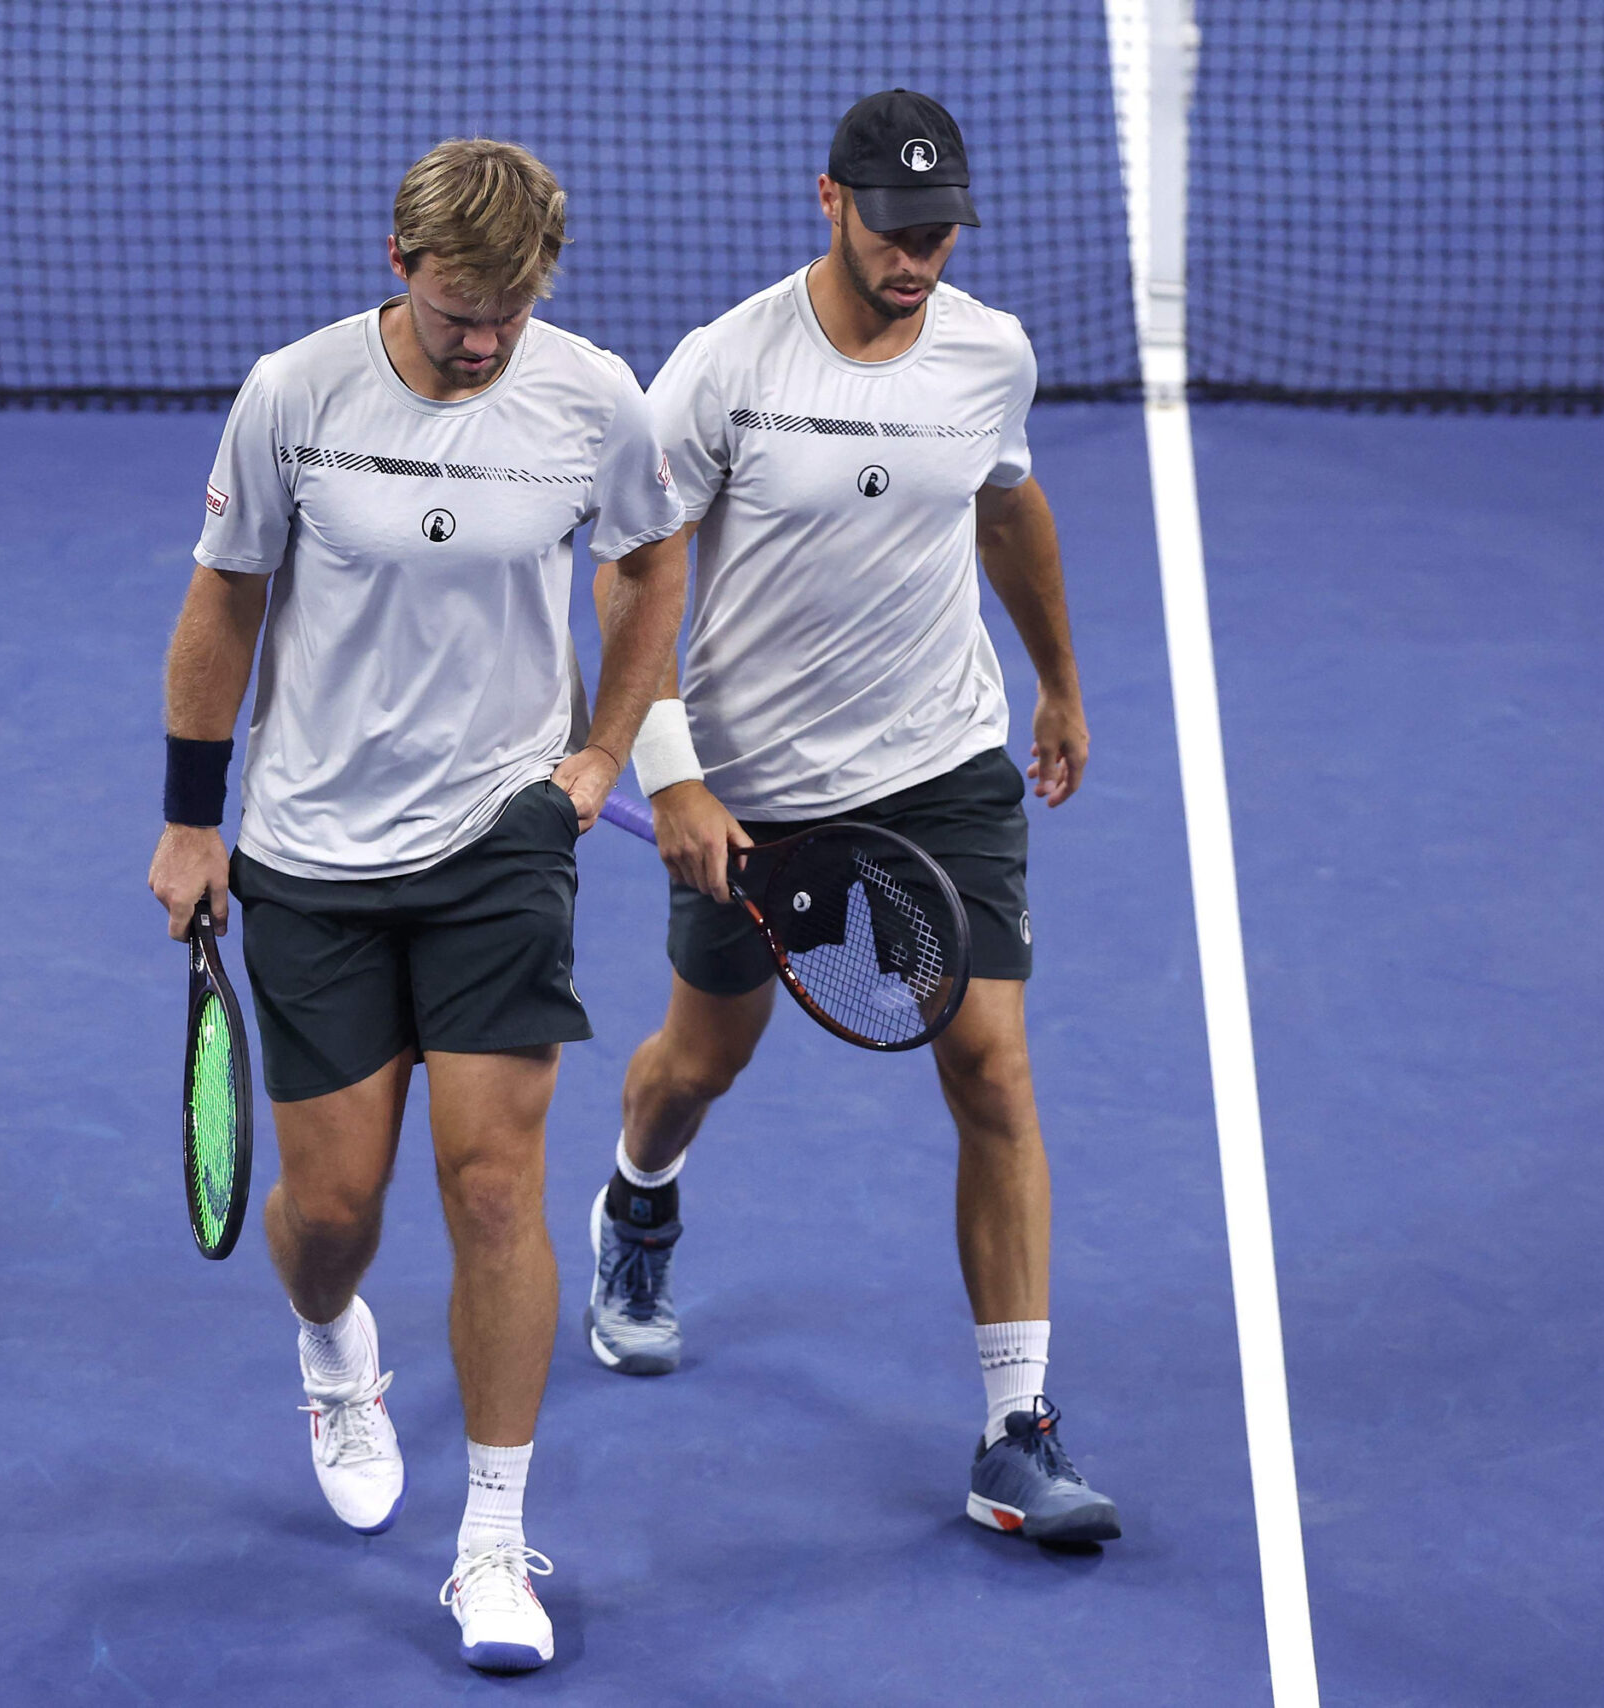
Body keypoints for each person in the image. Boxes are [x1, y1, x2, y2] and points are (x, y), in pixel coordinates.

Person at [146, 137, 686, 1671]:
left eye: (511, 312)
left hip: (500, 842)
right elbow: (223, 604)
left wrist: (597, 755)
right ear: (400, 268)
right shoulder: (295, 397)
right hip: (312, 852)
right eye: (460, 312)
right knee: (330, 1216)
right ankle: (333, 1350)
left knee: (497, 1183)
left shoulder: (589, 397)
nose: (485, 342)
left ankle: (495, 1541)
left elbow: (653, 564)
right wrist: (193, 827)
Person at [587, 90, 1120, 1544]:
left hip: (943, 767)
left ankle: (1015, 1430)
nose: (917, 261)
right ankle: (640, 1204)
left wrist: (1059, 683)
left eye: (939, 235)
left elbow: (1008, 508)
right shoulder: (723, 370)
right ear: (829, 203)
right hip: (757, 792)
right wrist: (674, 770)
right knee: (700, 1061)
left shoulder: (986, 352)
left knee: (993, 1069)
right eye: (894, 231)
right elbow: (638, 570)